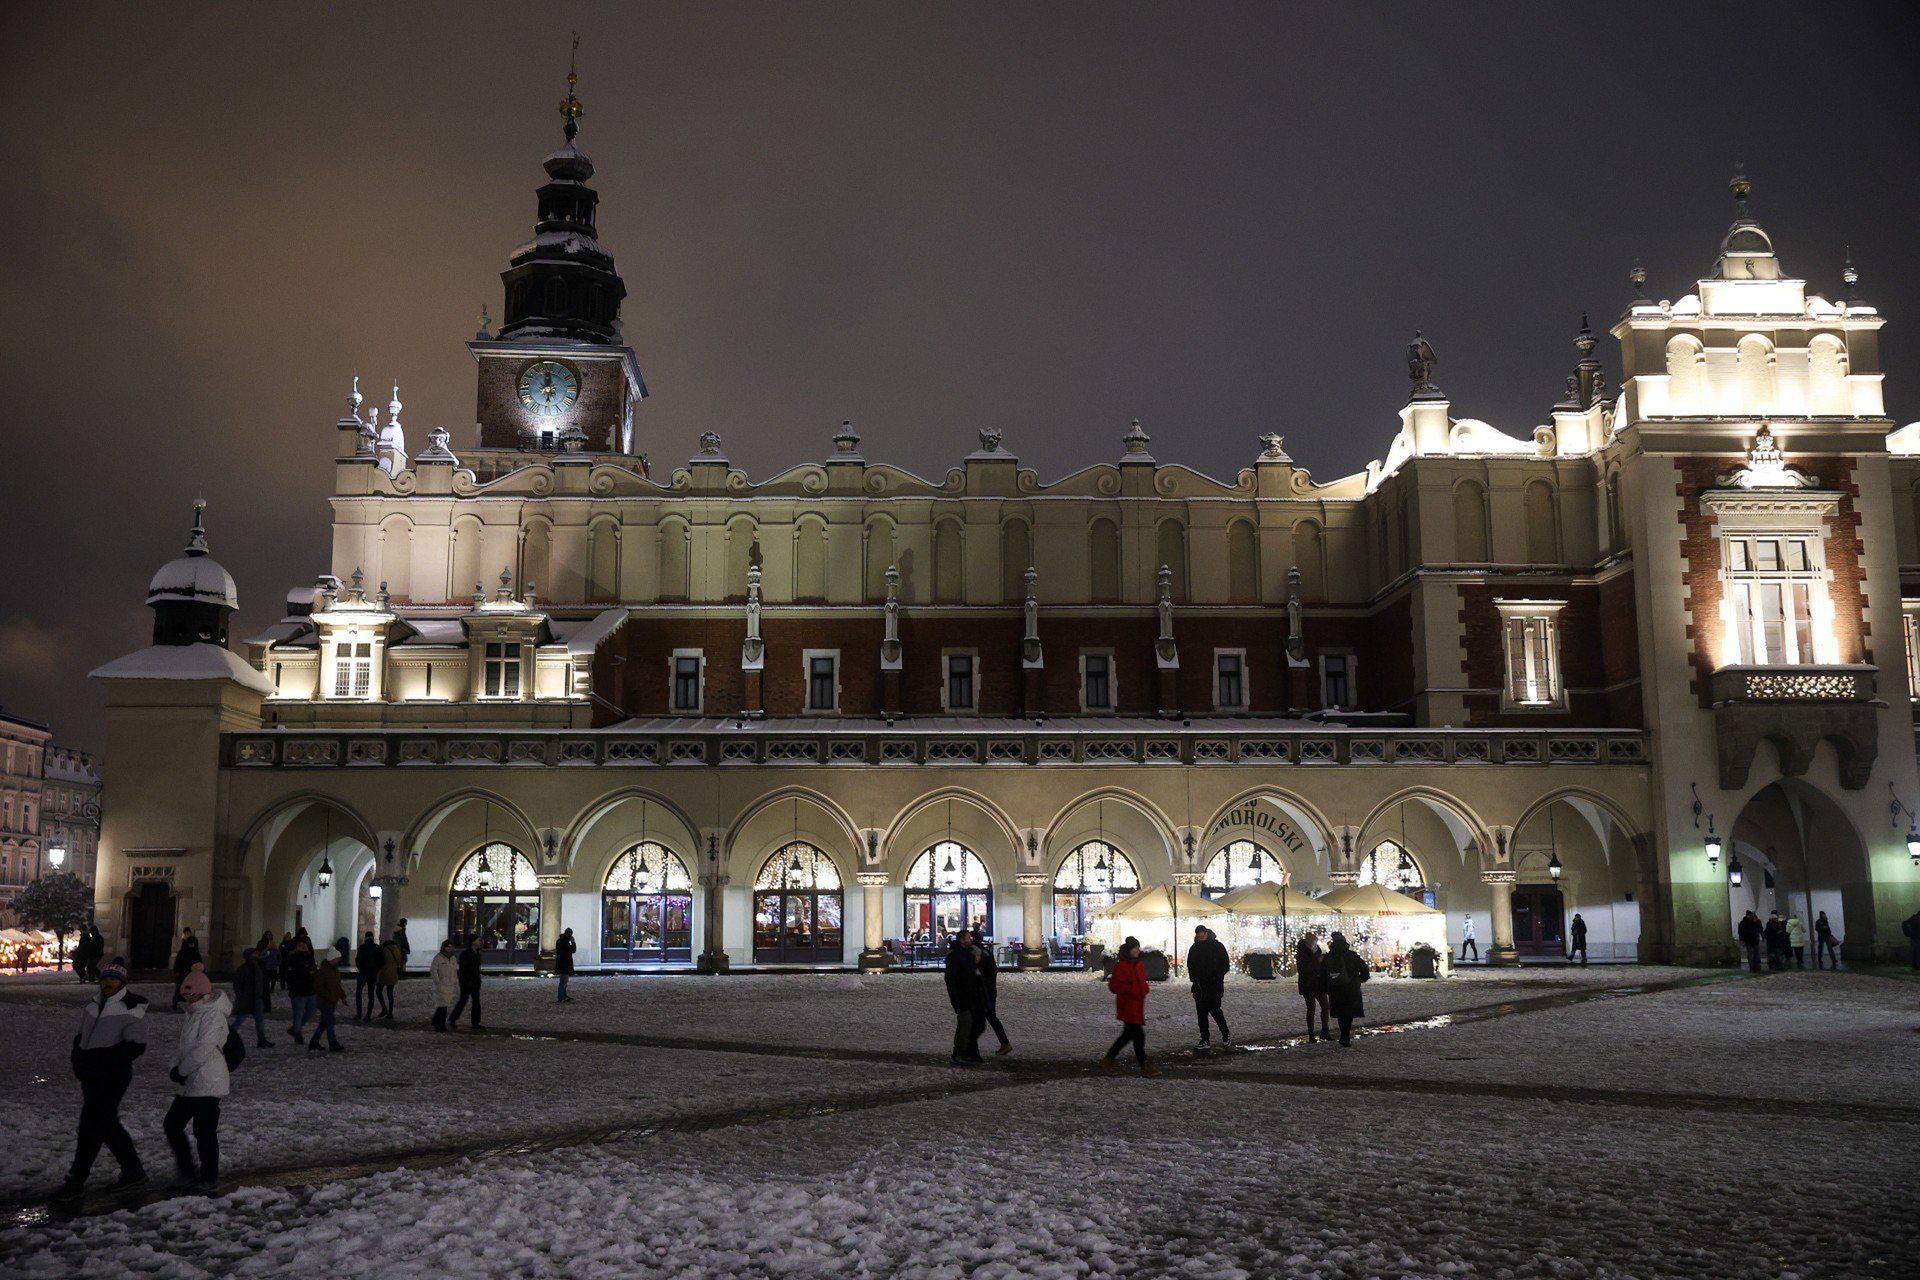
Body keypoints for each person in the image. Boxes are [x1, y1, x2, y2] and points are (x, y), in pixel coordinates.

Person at [52, 959, 148, 1202]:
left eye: (114, 979)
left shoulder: (130, 1008)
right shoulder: (94, 1005)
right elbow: (81, 1036)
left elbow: (135, 1046)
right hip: (92, 1075)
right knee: (105, 1125)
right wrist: (79, 1058)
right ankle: (133, 1171)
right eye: (105, 978)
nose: (108, 982)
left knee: (91, 1126)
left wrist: (101, 1060)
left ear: (122, 982)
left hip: (112, 1076)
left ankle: (77, 1180)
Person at [164, 964, 229, 1192]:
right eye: (185, 992)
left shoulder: (212, 1015)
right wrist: (176, 1067)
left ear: (202, 991)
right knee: (172, 1124)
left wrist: (182, 1070)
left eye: (190, 992)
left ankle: (209, 1176)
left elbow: (204, 1048)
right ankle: (188, 1171)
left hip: (209, 1081)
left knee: (204, 1131)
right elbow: (185, 1047)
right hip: (192, 1081)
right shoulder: (194, 1012)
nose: (187, 996)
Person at [1099, 935, 1155, 1077]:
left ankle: (1109, 1058)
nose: (1137, 950)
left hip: (1137, 1003)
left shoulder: (1138, 964)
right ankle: (1144, 1065)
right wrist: (1131, 990)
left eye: (1138, 947)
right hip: (1128, 1004)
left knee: (1127, 1035)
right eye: (1135, 948)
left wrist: (1144, 989)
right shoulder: (1121, 965)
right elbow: (1114, 986)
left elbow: (1143, 981)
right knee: (1138, 1035)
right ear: (1129, 950)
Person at [1185, 925, 1231, 1049]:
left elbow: (1225, 964)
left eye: (1202, 935)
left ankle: (1225, 1033)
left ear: (1206, 933)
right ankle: (1205, 1039)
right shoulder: (1195, 948)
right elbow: (1190, 965)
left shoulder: (1217, 946)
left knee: (1216, 1011)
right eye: (1198, 936)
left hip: (1214, 986)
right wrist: (1194, 978)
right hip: (1200, 987)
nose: (1201, 938)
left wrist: (1216, 976)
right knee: (1202, 1015)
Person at [1323, 931, 1370, 1047]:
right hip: (1351, 988)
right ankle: (1345, 1035)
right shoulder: (1352, 955)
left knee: (1340, 1013)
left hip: (1335, 989)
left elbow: (1323, 974)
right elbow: (1364, 969)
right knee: (1348, 1013)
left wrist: (1325, 987)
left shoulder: (1328, 956)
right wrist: (1360, 979)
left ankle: (1344, 1034)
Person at [943, 929, 985, 1065]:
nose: (970, 940)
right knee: (965, 1024)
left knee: (975, 1024)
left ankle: (969, 1051)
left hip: (970, 995)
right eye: (968, 938)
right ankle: (959, 1053)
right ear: (962, 940)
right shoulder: (957, 957)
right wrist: (956, 997)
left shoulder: (966, 954)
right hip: (963, 996)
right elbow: (953, 979)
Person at [229, 946, 273, 1048]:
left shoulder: (257, 967)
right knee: (240, 1020)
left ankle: (262, 1040)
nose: (257, 955)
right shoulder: (243, 969)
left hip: (257, 999)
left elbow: (261, 983)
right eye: (255, 954)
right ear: (249, 956)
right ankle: (227, 1037)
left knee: (260, 1021)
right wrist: (241, 996)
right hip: (247, 999)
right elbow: (237, 985)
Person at [975, 933, 1011, 1055]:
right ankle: (1004, 1043)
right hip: (990, 989)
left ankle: (969, 1048)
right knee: (990, 1016)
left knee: (979, 1018)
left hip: (983, 990)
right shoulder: (986, 952)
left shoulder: (977, 954)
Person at [1296, 930, 1330, 1042]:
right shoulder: (1302, 952)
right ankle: (1311, 1033)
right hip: (1308, 984)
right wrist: (1318, 961)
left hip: (1318, 983)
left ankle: (1325, 1030)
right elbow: (1303, 969)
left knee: (1325, 1006)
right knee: (1311, 1008)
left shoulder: (1317, 950)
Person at [309, 950, 346, 1052]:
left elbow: (336, 985)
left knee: (324, 1023)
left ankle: (314, 1042)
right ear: (333, 958)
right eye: (338, 958)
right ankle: (333, 1044)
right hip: (325, 1002)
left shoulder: (335, 970)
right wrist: (329, 995)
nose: (339, 960)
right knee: (330, 1022)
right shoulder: (323, 971)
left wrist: (342, 995)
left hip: (331, 1000)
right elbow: (318, 986)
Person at [285, 935, 317, 1042]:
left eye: (305, 945)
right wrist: (308, 973)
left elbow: (313, 970)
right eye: (301, 945)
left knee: (311, 1011)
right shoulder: (294, 958)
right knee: (298, 1014)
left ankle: (295, 1029)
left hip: (310, 989)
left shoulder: (309, 957)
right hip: (298, 991)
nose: (304, 947)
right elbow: (299, 973)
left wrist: (309, 973)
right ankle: (298, 1035)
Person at [449, 933, 483, 1029]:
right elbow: (463, 969)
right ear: (473, 942)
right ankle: (453, 1019)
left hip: (475, 981)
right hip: (466, 982)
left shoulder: (477, 952)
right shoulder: (466, 954)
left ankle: (475, 1022)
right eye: (478, 940)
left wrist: (477, 979)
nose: (479, 942)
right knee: (463, 1000)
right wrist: (467, 980)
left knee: (476, 1001)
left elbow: (476, 968)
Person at [429, 939, 459, 1032]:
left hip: (450, 984)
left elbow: (454, 970)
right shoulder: (438, 957)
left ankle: (435, 1021)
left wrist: (455, 980)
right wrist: (437, 981)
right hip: (442, 984)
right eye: (447, 946)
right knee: (443, 1005)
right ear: (444, 947)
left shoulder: (453, 957)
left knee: (444, 1004)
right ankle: (440, 1025)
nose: (449, 948)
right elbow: (433, 970)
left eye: (450, 946)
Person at [353, 931, 383, 1022]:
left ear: (365, 938)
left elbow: (358, 960)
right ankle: (368, 1015)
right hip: (372, 974)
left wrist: (361, 968)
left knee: (359, 993)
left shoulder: (362, 947)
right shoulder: (377, 948)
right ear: (373, 938)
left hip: (363, 973)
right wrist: (376, 970)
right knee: (371, 994)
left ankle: (359, 1014)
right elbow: (382, 961)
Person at [170, 927, 202, 1011]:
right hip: (183, 974)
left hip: (192, 975)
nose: (191, 945)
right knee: (180, 989)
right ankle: (175, 1003)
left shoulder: (196, 953)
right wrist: (176, 971)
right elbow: (178, 961)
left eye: (193, 944)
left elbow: (200, 964)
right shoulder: (183, 951)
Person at [376, 935, 402, 1019]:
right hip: (393, 974)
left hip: (383, 973)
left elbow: (380, 961)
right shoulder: (397, 950)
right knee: (390, 993)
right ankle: (390, 1012)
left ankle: (384, 1009)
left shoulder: (384, 950)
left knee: (378, 991)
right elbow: (400, 961)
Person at [555, 927, 577, 1003]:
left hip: (560, 963)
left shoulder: (559, 941)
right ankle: (561, 997)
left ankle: (563, 996)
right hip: (566, 964)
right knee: (564, 982)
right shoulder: (565, 942)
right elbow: (573, 950)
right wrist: (573, 942)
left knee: (563, 981)